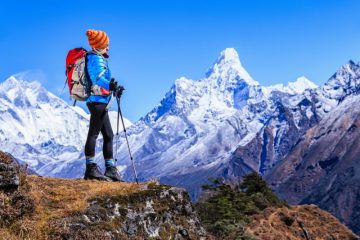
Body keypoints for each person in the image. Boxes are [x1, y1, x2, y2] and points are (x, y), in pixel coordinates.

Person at [83, 29, 123, 181]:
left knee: (108, 135)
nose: (108, 47)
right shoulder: (96, 59)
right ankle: (91, 169)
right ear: (100, 44)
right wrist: (111, 86)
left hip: (99, 101)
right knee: (94, 133)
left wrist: (113, 87)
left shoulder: (95, 57)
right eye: (107, 44)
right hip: (97, 101)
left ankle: (110, 169)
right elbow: (98, 78)